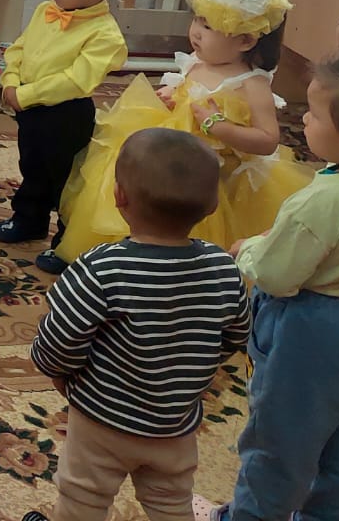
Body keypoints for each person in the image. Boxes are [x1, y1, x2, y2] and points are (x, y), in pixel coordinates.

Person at [23, 128, 249, 521]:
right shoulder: (223, 268)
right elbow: (236, 334)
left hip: (101, 420)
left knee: (83, 500)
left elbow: (60, 337)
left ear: (118, 195)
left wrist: (61, 375)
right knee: (171, 501)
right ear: (213, 204)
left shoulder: (101, 267)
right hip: (174, 423)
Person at [54, 0, 310, 268]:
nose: (196, 31)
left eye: (209, 26)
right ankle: (125, 255)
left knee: (193, 227)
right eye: (197, 20)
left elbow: (268, 140)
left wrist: (219, 126)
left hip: (215, 179)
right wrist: (173, 95)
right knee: (129, 175)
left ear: (245, 41)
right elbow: (188, 92)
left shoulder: (252, 84)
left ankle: (183, 271)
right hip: (172, 157)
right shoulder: (197, 61)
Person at [205, 52, 339, 521]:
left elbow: (277, 275)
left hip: (311, 333)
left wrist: (247, 249)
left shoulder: (322, 201)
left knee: (279, 441)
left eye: (314, 114)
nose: (302, 119)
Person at [0, 0, 138, 274]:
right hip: (30, 110)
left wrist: (26, 95)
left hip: (65, 116)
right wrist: (11, 80)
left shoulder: (105, 34)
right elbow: (19, 47)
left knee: (66, 180)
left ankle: (66, 241)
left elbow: (76, 80)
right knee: (32, 165)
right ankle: (29, 218)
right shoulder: (46, 10)